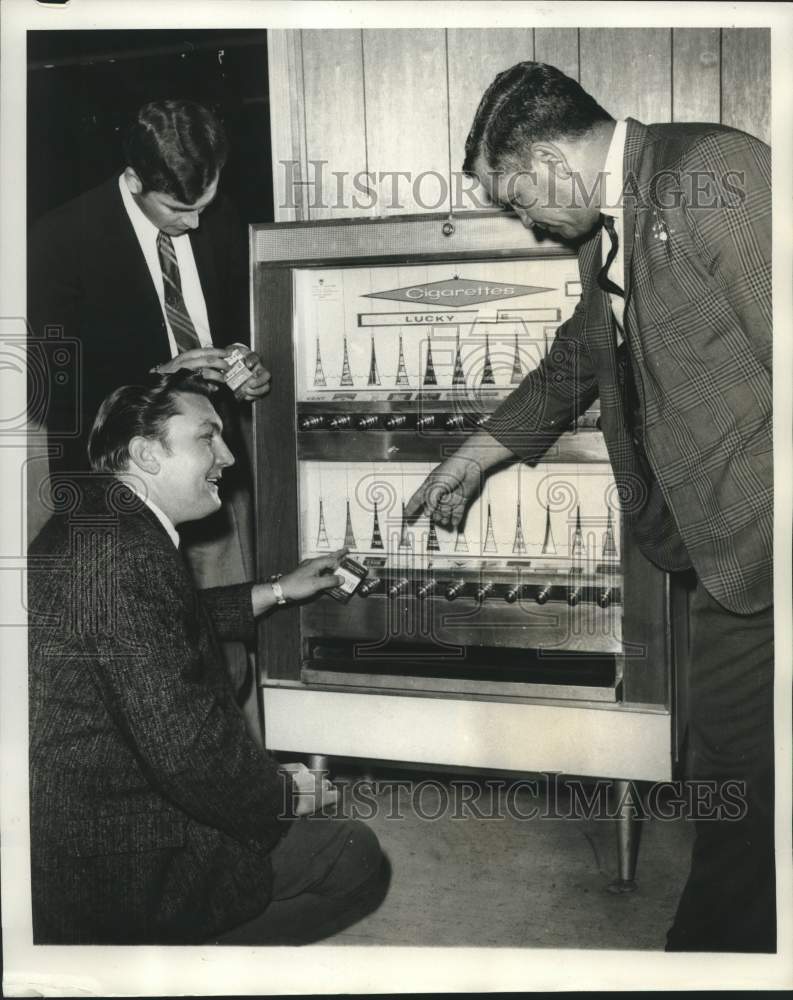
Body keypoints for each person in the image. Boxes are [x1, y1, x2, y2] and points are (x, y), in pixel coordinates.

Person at [406, 62, 773, 953]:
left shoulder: (714, 178)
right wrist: (476, 455)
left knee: (731, 773)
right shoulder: (602, 226)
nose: (522, 221)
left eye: (515, 197)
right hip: (721, 554)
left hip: (769, 539)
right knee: (731, 770)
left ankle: (708, 957)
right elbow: (583, 357)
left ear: (547, 157)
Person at [28, 370, 389, 945]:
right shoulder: (124, 556)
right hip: (118, 864)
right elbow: (184, 754)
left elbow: (165, 624)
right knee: (354, 859)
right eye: (207, 437)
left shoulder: (99, 522)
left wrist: (278, 588)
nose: (227, 456)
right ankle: (180, 968)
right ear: (147, 453)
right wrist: (285, 794)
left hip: (81, 821)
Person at [28, 98, 270, 733]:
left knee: (226, 656)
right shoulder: (57, 240)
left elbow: (237, 328)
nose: (194, 223)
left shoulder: (214, 219)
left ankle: (223, 764)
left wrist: (249, 367)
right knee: (136, 659)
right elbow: (52, 388)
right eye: (177, 210)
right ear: (133, 180)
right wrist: (161, 371)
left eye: (204, 205)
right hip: (118, 484)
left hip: (207, 467)